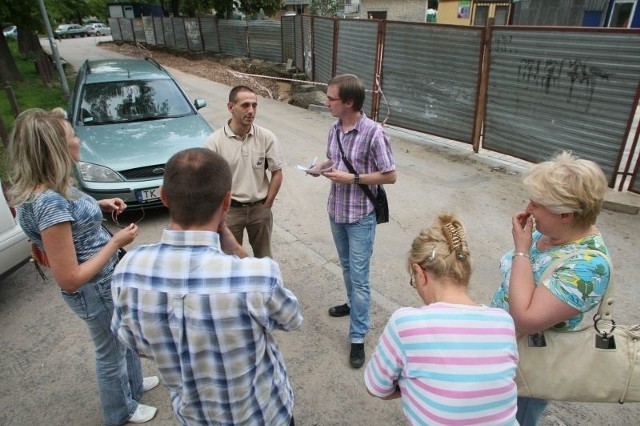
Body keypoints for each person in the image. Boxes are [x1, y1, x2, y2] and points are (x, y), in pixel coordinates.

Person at [110, 148, 303, 425]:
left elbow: (134, 343)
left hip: (194, 417)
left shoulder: (128, 271)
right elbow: (291, 319)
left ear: (164, 196)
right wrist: (236, 247)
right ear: (226, 202)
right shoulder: (256, 276)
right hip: (264, 415)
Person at [7, 108, 158, 425]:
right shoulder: (49, 202)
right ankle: (120, 412)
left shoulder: (52, 186)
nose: (78, 139)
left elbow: (71, 217)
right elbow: (70, 277)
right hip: (93, 289)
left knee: (123, 337)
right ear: (55, 150)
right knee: (110, 350)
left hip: (105, 282)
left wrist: (99, 204)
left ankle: (133, 387)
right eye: (73, 135)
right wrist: (115, 243)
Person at [490, 151, 612, 426]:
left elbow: (527, 318)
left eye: (537, 204)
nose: (528, 209)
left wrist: (521, 250)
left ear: (565, 214)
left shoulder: (588, 265)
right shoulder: (551, 234)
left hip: (526, 367)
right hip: (502, 352)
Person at [364, 213, 518, 425]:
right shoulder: (504, 322)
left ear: (420, 273)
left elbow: (377, 388)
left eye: (413, 280)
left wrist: (412, 382)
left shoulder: (406, 324)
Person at [311, 73, 396, 368]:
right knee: (346, 267)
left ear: (348, 102)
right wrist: (319, 166)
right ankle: (352, 304)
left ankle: (358, 336)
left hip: (360, 216)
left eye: (331, 98)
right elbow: (332, 159)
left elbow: (391, 175)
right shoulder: (334, 129)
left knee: (360, 278)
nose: (327, 102)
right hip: (336, 211)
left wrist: (353, 178)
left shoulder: (374, 133)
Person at [203, 85, 285, 258]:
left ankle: (264, 285)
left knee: (264, 258)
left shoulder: (266, 137)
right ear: (230, 107)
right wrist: (219, 211)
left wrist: (267, 204)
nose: (251, 111)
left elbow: (277, 172)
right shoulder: (214, 142)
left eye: (254, 105)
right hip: (230, 212)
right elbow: (208, 182)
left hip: (259, 209)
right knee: (230, 260)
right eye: (245, 105)